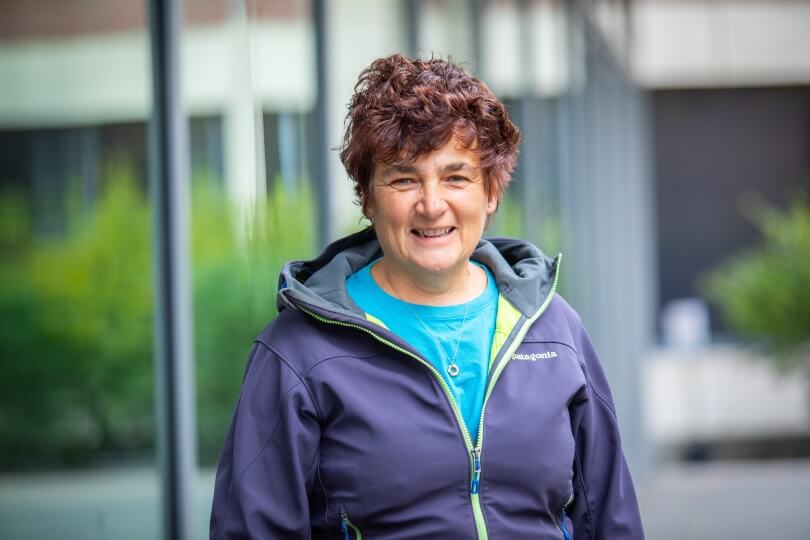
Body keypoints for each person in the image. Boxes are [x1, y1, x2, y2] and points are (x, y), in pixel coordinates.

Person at [210, 54, 644, 539]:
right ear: (368, 197)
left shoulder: (554, 330)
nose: (432, 204)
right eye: (404, 178)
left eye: (456, 177)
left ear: (492, 192)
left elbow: (608, 517)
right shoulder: (296, 355)